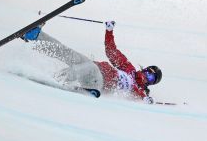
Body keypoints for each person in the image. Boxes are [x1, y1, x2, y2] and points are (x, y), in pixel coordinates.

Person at [22, 20, 161, 103]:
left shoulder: (138, 90)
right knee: (70, 54)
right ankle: (36, 37)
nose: (146, 75)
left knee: (88, 68)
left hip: (99, 81)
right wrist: (109, 31)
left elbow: (140, 97)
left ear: (150, 83)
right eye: (147, 71)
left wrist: (146, 99)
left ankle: (56, 79)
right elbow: (111, 51)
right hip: (94, 67)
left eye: (150, 77)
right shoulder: (129, 69)